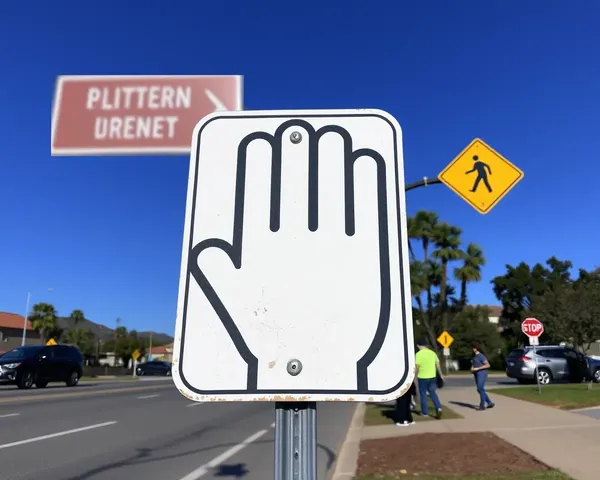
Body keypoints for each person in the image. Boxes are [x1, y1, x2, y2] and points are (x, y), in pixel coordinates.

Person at [415, 338, 443, 419]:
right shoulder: (432, 353)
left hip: (422, 377)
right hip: (432, 376)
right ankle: (438, 407)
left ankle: (425, 412)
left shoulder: (418, 354)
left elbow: (417, 366)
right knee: (432, 393)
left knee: (423, 394)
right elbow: (437, 364)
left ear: (419, 346)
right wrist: (440, 374)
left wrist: (414, 375)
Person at [471, 344, 495, 411]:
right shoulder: (474, 356)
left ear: (476, 348)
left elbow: (487, 365)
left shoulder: (481, 356)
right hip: (476, 373)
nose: (472, 349)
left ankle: (482, 405)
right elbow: (474, 364)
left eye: (473, 348)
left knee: (480, 388)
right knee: (479, 389)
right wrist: (472, 368)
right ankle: (489, 402)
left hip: (481, 373)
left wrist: (478, 368)